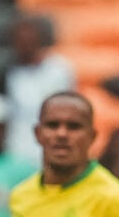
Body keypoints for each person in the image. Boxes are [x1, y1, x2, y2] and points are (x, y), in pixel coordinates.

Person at [5, 15, 76, 166]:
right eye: (20, 40)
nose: (25, 44)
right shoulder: (10, 71)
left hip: (50, 142)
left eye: (29, 39)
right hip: (17, 147)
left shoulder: (58, 69)